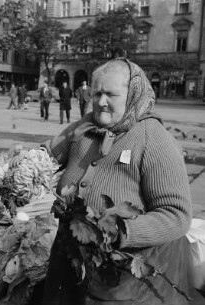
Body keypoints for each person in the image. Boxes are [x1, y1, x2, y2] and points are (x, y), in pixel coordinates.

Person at [42, 58, 193, 305]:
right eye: (96, 93)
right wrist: (29, 164)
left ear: (133, 95)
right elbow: (49, 151)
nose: (101, 102)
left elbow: (177, 215)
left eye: (111, 94)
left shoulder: (153, 139)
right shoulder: (86, 126)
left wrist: (120, 230)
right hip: (69, 252)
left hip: (120, 275)